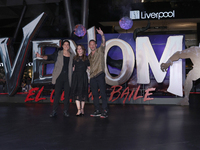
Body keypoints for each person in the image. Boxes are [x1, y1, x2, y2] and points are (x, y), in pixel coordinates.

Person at [36, 40, 75, 117]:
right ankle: (54, 111)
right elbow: (49, 57)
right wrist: (41, 56)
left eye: (68, 44)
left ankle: (66, 111)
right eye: (65, 44)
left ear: (69, 46)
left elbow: (74, 64)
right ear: (63, 46)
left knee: (67, 95)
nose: (66, 46)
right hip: (59, 77)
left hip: (68, 77)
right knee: (57, 94)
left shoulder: (72, 55)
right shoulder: (58, 53)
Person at [88, 27, 108, 118]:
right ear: (89, 46)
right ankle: (97, 110)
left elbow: (103, 43)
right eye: (90, 45)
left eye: (93, 44)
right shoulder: (89, 56)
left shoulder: (100, 50)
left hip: (100, 74)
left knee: (103, 93)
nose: (92, 46)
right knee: (95, 94)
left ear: (96, 45)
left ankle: (105, 110)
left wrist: (102, 35)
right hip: (92, 77)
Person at [71, 45, 90, 116]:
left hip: (83, 76)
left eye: (80, 49)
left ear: (83, 50)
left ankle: (82, 109)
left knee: (83, 93)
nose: (79, 50)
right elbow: (73, 68)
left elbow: (89, 67)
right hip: (76, 77)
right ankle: (78, 109)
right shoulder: (74, 58)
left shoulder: (86, 58)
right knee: (76, 93)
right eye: (78, 49)